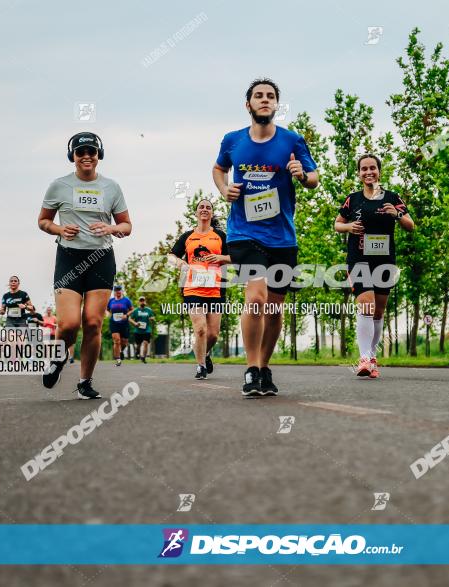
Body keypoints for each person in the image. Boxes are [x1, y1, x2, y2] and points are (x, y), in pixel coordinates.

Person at [212, 78, 319, 397]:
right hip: (244, 233)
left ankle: (264, 368)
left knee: (274, 309)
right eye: (258, 96)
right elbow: (218, 169)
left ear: (276, 104)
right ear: (248, 105)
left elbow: (314, 178)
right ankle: (250, 368)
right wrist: (223, 189)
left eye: (270, 96)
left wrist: (302, 174)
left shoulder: (292, 141)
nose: (264, 100)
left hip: (282, 237)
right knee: (255, 298)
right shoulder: (232, 140)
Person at [38, 132, 132, 399]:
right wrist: (58, 228)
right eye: (81, 152)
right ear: (73, 157)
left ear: (99, 155)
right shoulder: (59, 186)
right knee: (68, 325)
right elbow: (43, 221)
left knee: (92, 323)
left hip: (100, 259)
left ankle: (84, 382)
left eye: (91, 151)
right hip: (69, 257)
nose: (86, 156)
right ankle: (57, 359)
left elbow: (127, 225)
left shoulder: (111, 187)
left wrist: (111, 228)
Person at [334, 154, 414, 378]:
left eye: (372, 168)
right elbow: (337, 224)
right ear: (359, 174)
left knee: (378, 311)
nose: (368, 172)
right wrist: (349, 226)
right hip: (358, 258)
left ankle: (372, 357)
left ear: (379, 171)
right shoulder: (353, 199)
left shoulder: (391, 197)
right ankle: (365, 358)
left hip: (384, 260)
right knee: (366, 306)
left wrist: (397, 214)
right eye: (364, 169)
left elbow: (410, 225)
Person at [168, 199, 231, 379]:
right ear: (196, 213)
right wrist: (180, 262)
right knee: (201, 329)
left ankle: (205, 353)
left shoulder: (220, 236)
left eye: (208, 207)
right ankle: (201, 366)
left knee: (213, 334)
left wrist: (220, 257)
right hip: (192, 289)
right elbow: (171, 256)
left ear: (211, 213)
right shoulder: (188, 236)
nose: (204, 209)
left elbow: (234, 256)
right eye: (201, 207)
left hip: (216, 288)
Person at [106, 285, 133, 367]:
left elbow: (132, 309)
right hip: (114, 323)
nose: (118, 292)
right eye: (116, 290)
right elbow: (107, 309)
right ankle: (118, 359)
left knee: (124, 342)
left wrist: (126, 315)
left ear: (121, 291)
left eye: (119, 290)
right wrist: (109, 314)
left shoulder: (126, 300)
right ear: (114, 291)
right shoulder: (111, 301)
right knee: (117, 341)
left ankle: (121, 351)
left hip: (124, 323)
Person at [130, 296, 156, 363]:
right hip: (138, 331)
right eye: (141, 301)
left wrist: (152, 319)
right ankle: (138, 352)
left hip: (147, 330)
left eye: (143, 300)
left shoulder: (149, 310)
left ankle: (143, 357)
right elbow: (130, 319)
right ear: (139, 302)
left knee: (145, 343)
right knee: (138, 345)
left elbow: (153, 317)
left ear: (145, 302)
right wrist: (135, 323)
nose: (142, 302)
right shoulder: (136, 310)